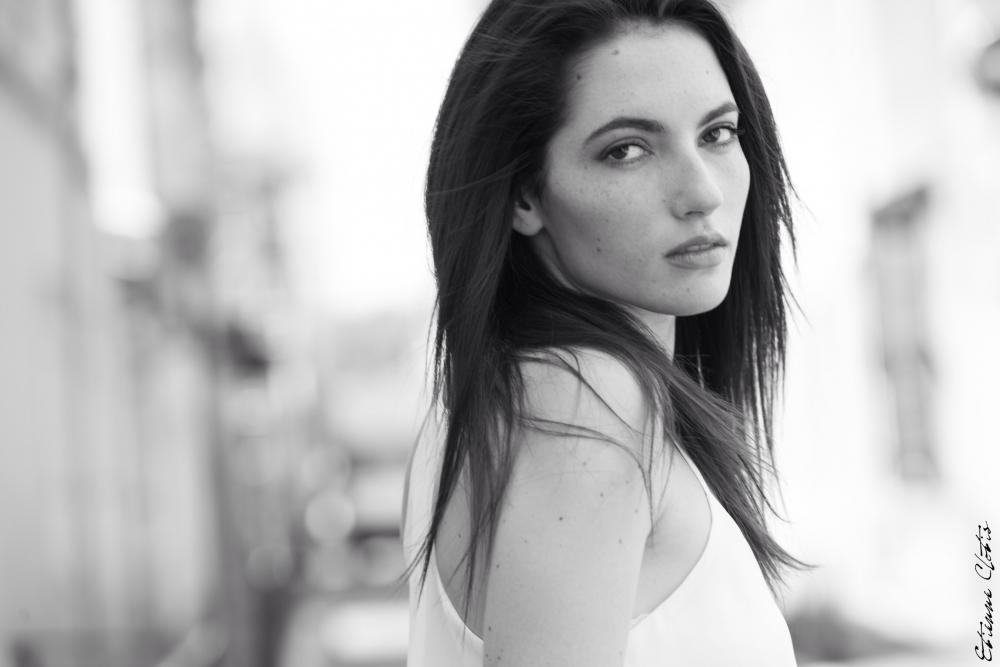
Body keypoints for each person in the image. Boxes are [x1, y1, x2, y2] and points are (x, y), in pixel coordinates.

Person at [400, 0, 812, 664]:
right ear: (525, 195)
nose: (702, 192)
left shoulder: (481, 408)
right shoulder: (581, 402)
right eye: (627, 150)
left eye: (717, 133)